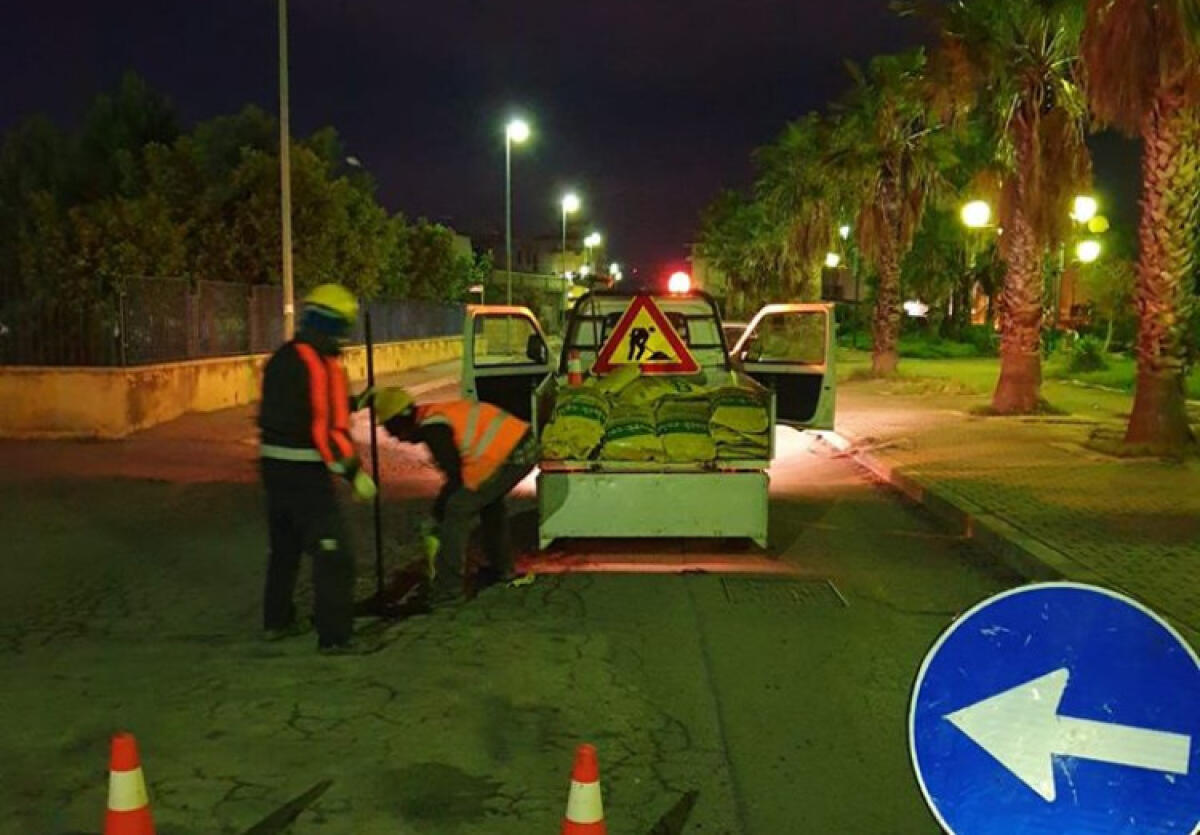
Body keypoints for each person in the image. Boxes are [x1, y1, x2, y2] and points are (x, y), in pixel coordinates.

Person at [257, 283, 377, 653]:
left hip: (273, 469)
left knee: (285, 551)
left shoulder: (284, 357)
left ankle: (276, 622)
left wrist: (355, 402)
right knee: (334, 555)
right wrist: (354, 473)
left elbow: (300, 406)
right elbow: (327, 430)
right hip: (306, 474)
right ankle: (335, 638)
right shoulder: (322, 364)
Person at [373, 388, 539, 603]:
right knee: (488, 502)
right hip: (518, 444)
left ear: (401, 421)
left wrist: (438, 514)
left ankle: (449, 588)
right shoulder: (433, 417)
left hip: (513, 454)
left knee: (457, 509)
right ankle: (502, 569)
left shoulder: (434, 429)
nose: (394, 438)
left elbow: (456, 476)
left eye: (391, 429)